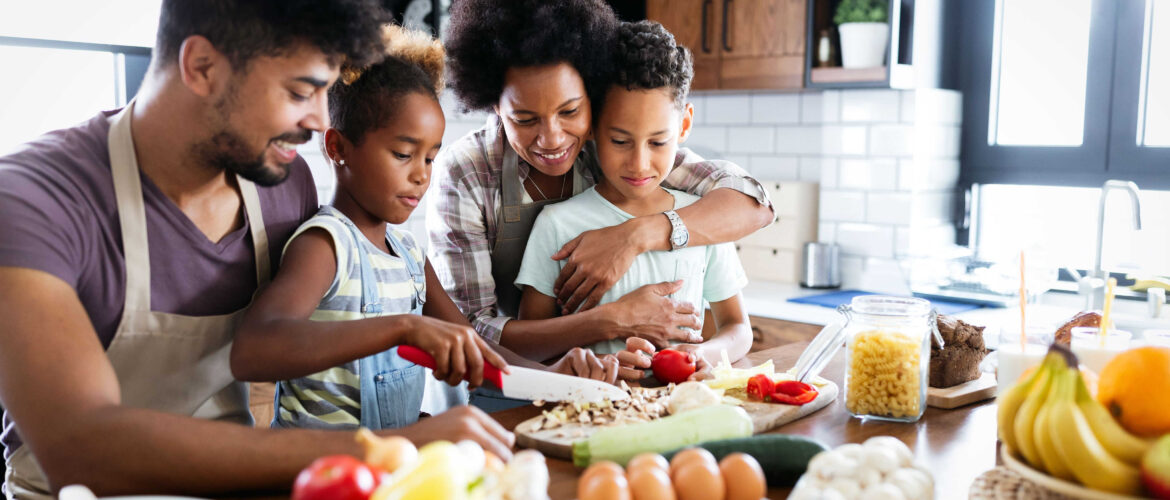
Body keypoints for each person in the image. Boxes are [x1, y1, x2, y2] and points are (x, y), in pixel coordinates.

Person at [0, 2, 490, 498]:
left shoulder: (283, 185)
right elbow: (81, 450)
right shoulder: (31, 199)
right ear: (202, 67)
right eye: (301, 91)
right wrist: (387, 446)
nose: (320, 122)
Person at [230, 26, 620, 431]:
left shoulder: (409, 254)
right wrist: (403, 327)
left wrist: (555, 376)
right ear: (337, 148)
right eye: (403, 154)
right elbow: (253, 351)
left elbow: (475, 346)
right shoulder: (326, 245)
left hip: (389, 468)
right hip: (320, 473)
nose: (421, 176)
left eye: (430, 158)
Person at [430, 0, 775, 368]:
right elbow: (470, 332)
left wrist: (633, 236)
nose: (552, 139)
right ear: (495, 106)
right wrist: (613, 319)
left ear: (591, 107)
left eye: (570, 111)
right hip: (492, 385)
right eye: (526, 118)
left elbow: (752, 203)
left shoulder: (615, 148)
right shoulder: (466, 172)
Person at [515, 21, 753, 379]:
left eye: (658, 142)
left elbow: (738, 328)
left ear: (684, 125)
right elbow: (529, 346)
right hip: (591, 412)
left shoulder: (700, 219)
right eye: (621, 141)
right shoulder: (557, 224)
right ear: (592, 125)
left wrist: (706, 353)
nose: (640, 163)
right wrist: (588, 366)